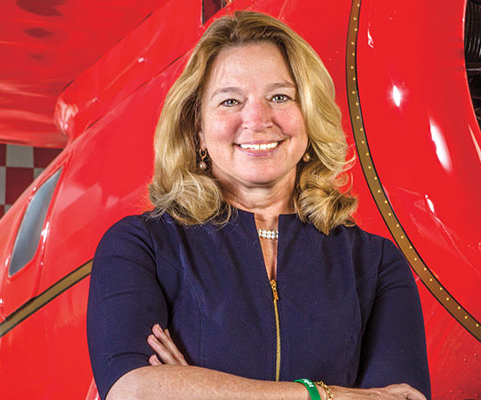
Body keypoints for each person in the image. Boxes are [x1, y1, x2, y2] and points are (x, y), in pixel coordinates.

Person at [87, 11, 430, 400]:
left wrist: (196, 389)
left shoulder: (376, 262)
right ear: (197, 130)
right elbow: (134, 393)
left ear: (309, 117)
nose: (257, 118)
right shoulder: (138, 247)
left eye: (280, 97)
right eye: (230, 101)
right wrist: (323, 394)